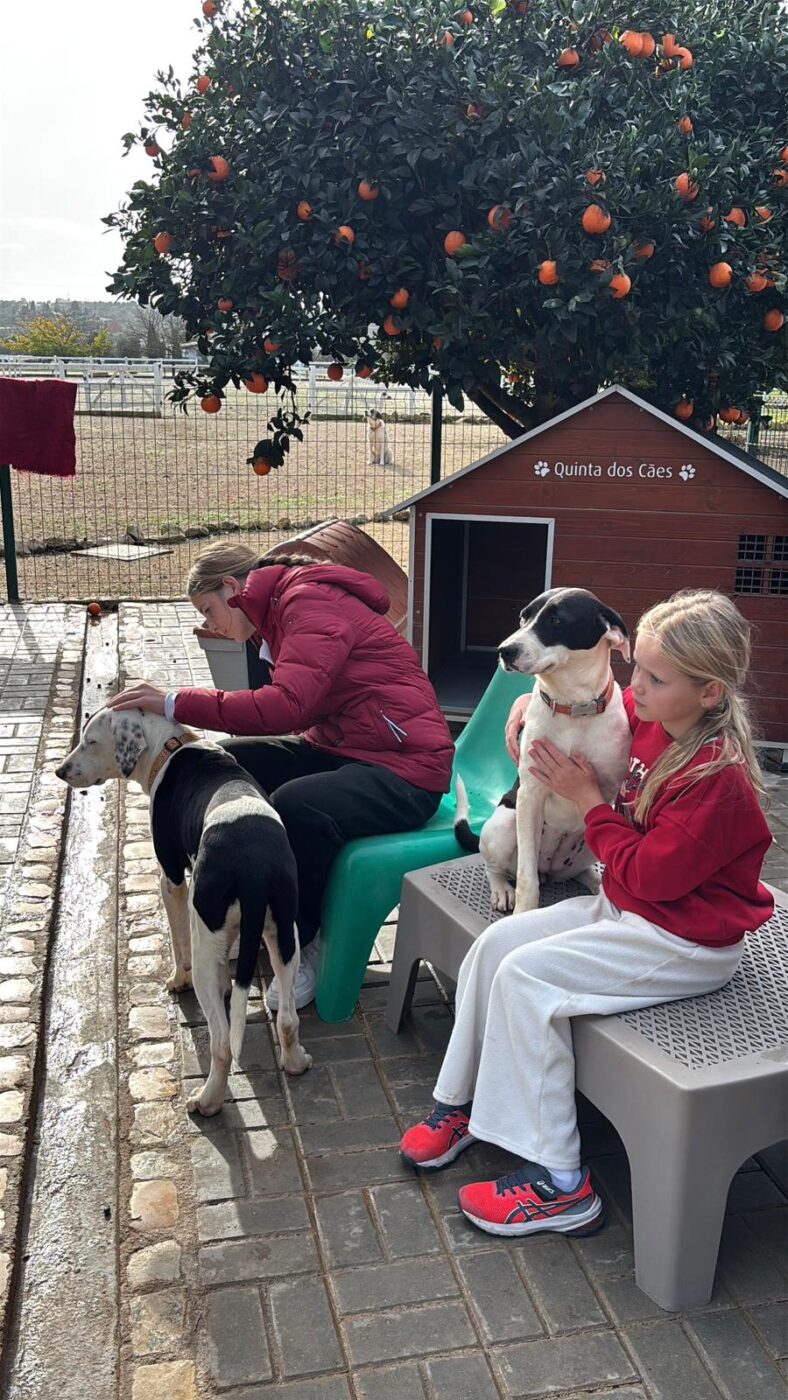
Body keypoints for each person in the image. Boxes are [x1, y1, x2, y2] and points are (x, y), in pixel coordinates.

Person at [399, 589, 774, 1239]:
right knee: (495, 948)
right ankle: (465, 1105)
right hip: (628, 909)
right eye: (638, 668)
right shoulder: (655, 719)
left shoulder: (718, 782)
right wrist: (533, 701)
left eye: (654, 678)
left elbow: (649, 876)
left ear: (709, 692)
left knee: (528, 981)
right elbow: (592, 704)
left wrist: (589, 802)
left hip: (683, 941)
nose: (635, 686)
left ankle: (562, 1183)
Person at [107, 543, 454, 1009]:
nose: (209, 625)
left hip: (408, 769)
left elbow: (286, 706)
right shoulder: (273, 614)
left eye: (208, 610)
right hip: (347, 747)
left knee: (296, 804)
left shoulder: (307, 602)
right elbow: (297, 709)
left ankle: (301, 943)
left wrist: (174, 702)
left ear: (231, 587)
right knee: (222, 761)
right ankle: (238, 906)